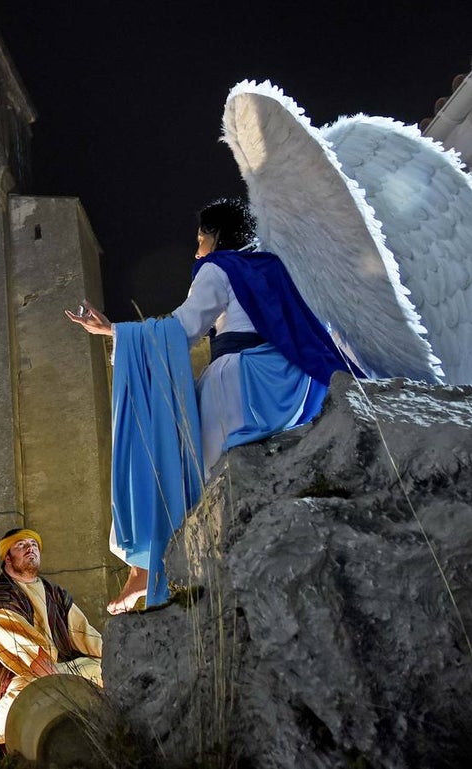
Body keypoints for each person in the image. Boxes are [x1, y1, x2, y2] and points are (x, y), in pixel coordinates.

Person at [66, 197, 363, 614]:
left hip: (244, 383)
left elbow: (183, 329)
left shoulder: (219, 268)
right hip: (296, 387)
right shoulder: (279, 266)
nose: (197, 249)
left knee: (171, 450)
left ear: (217, 237)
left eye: (201, 238)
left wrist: (114, 331)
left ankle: (150, 566)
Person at [0, 528, 103, 768]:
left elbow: (83, 633)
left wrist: (110, 657)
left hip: (56, 666)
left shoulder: (54, 592)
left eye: (34, 544)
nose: (30, 548)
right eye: (21, 545)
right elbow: (24, 652)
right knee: (32, 686)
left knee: (100, 669)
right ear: (7, 558)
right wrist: (49, 670)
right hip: (8, 673)